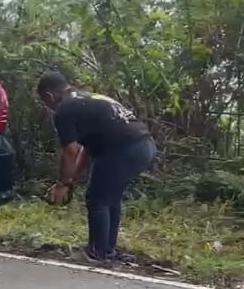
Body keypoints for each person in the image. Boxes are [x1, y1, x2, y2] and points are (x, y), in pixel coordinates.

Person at [37, 70, 157, 263]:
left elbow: (70, 151)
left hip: (123, 148)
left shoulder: (64, 109)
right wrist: (69, 181)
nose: (48, 108)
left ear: (49, 96)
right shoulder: (85, 99)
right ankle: (107, 250)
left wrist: (61, 183)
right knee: (110, 197)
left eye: (45, 103)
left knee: (97, 199)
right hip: (144, 146)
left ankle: (97, 253)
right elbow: (85, 150)